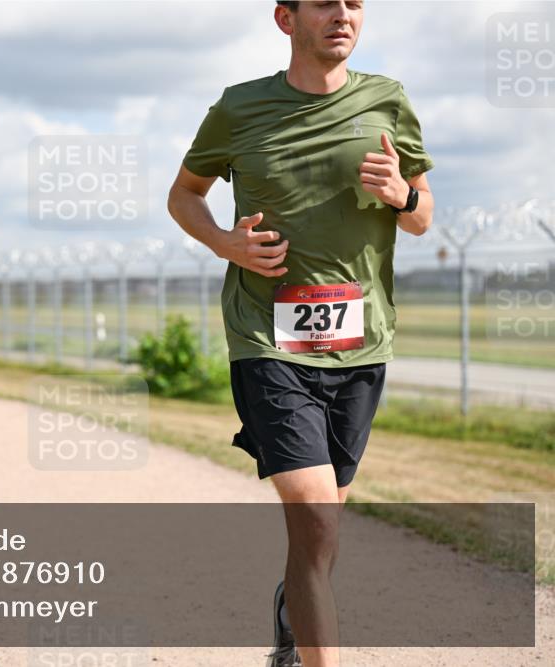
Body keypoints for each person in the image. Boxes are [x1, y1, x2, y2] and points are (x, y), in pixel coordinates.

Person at [167, 2, 435, 666]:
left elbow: (422, 216)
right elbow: (184, 194)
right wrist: (225, 243)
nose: (343, 14)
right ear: (286, 19)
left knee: (322, 531)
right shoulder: (239, 108)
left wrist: (402, 195)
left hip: (361, 344)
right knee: (315, 515)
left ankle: (293, 610)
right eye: (325, 2)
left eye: (354, 3)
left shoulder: (388, 101)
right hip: (267, 338)